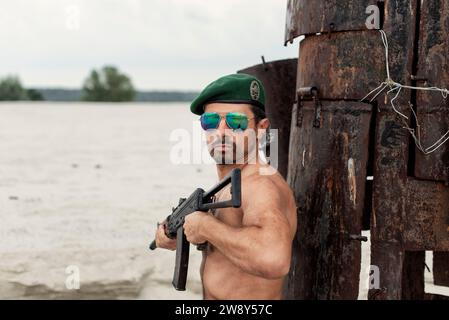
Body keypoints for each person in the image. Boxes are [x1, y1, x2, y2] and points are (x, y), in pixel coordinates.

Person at [155, 74, 297, 299]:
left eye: (236, 123)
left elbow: (274, 260)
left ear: (261, 129)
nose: (220, 132)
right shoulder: (233, 181)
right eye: (210, 122)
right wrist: (174, 231)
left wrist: (206, 227)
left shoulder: (261, 186)